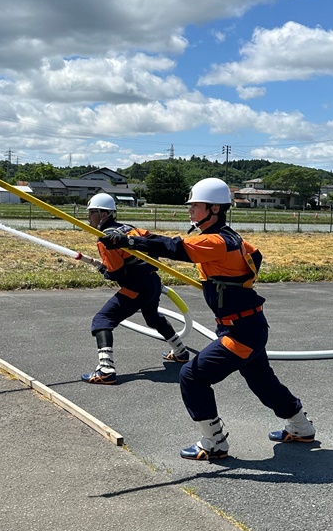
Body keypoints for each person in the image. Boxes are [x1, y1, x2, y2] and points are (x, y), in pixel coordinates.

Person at [99, 178, 315, 459]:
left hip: (240, 331)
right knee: (262, 380)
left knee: (192, 375)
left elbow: (174, 248)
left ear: (214, 208)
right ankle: (301, 426)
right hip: (247, 325)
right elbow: (255, 255)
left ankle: (213, 442)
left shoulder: (215, 241)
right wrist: (230, 281)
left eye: (195, 205)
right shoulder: (231, 237)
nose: (190, 210)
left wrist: (129, 241)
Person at [81, 193, 189, 384]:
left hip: (136, 287)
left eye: (91, 213)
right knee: (153, 317)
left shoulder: (105, 238)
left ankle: (106, 370)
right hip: (153, 282)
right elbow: (151, 242)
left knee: (102, 319)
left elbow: (116, 273)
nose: (88, 218)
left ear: (103, 214)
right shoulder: (130, 228)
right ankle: (180, 352)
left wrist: (103, 270)